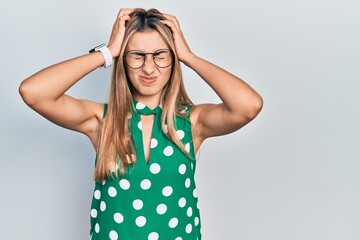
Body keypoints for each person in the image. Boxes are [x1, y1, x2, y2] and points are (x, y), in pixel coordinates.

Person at [19, 8, 263, 240]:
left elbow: (249, 106)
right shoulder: (102, 121)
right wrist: (108, 52)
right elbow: (33, 92)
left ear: (173, 57)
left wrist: (189, 56)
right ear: (123, 61)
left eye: (160, 55)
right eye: (137, 56)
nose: (148, 67)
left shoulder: (192, 122)